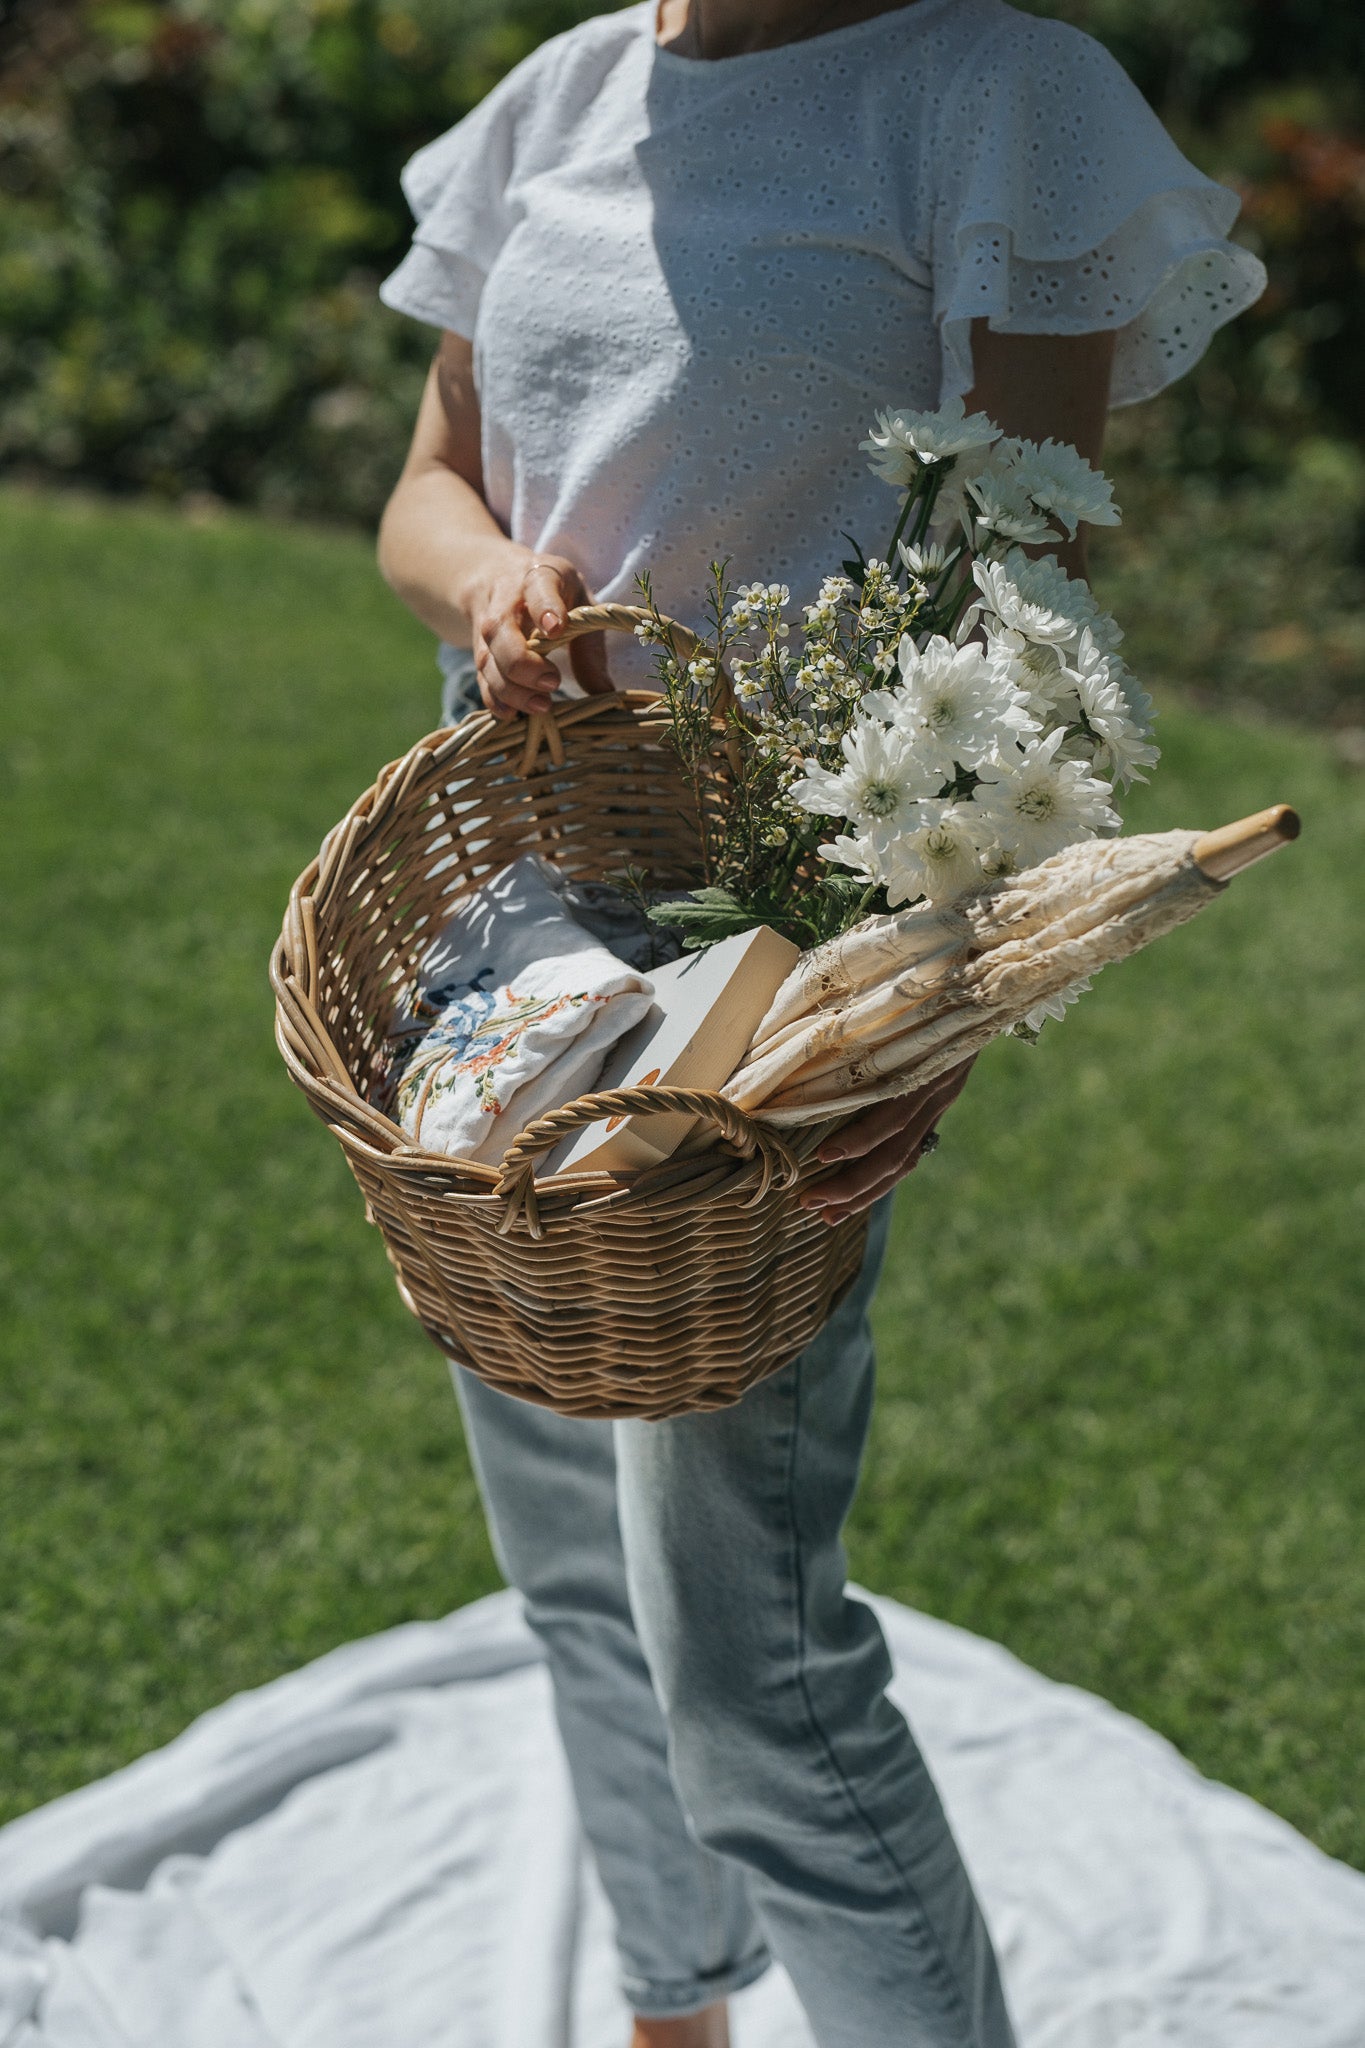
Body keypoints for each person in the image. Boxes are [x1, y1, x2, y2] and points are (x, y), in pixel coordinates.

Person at [375, 1, 1264, 2041]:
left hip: (776, 953)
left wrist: (911, 1010)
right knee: (575, 1577)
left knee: (743, 1659)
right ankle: (670, 2010)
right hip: (509, 945)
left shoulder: (986, 98)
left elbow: (1014, 594)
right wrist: (493, 579)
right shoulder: (564, 94)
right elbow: (422, 489)